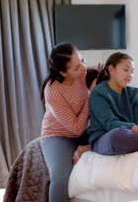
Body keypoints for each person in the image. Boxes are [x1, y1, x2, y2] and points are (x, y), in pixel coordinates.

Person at [40, 42, 100, 202]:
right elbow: (76, 129)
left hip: (85, 132)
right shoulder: (53, 91)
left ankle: (83, 148)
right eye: (76, 67)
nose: (83, 68)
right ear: (62, 72)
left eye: (82, 61)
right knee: (60, 180)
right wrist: (90, 95)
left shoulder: (82, 73)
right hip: (58, 136)